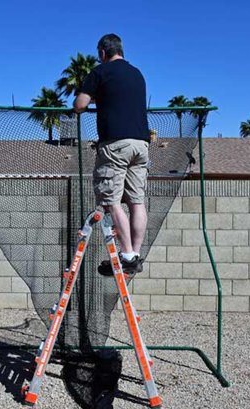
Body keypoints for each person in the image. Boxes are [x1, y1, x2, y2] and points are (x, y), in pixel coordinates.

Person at [73, 33, 150, 276]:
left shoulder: (100, 72)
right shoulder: (137, 74)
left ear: (103, 53)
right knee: (137, 201)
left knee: (111, 201)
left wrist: (94, 93)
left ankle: (126, 255)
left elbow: (79, 104)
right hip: (141, 144)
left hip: (116, 144)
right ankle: (135, 254)